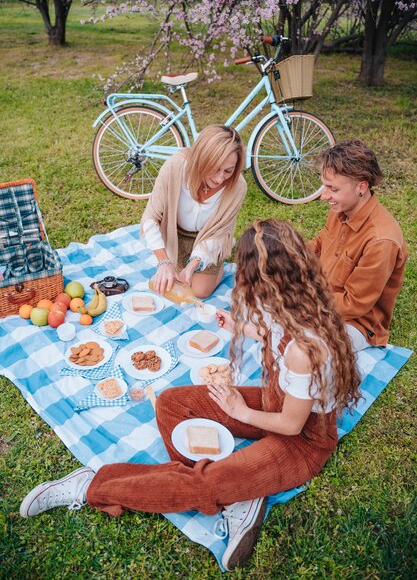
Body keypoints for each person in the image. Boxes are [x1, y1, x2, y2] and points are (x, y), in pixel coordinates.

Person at [19, 220, 361, 571]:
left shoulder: (305, 350)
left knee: (205, 483)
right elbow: (272, 332)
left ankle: (93, 486)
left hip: (302, 440)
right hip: (275, 402)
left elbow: (291, 425)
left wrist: (239, 411)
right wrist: (238, 326)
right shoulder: (292, 302)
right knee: (171, 402)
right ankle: (238, 490)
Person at [309, 139, 407, 351]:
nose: (324, 196)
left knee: (304, 347)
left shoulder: (381, 240)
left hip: (355, 324)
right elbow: (318, 245)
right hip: (320, 298)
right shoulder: (342, 208)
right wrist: (284, 256)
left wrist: (302, 299)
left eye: (332, 189)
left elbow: (353, 304)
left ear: (361, 187)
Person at [140, 124, 247, 299]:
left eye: (228, 170)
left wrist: (193, 264)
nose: (220, 178)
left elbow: (218, 233)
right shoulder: (175, 167)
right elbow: (151, 218)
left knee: (199, 291)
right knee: (168, 281)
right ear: (201, 160)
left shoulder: (238, 187)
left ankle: (218, 262)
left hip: (209, 238)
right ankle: (179, 262)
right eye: (215, 168)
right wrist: (164, 261)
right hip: (175, 235)